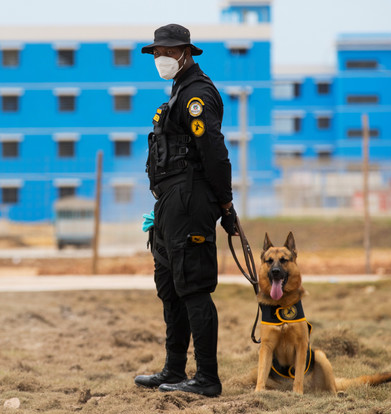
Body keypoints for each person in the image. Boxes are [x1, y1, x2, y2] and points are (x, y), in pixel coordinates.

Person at [135, 23, 238, 398]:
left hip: (191, 199)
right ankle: (174, 370)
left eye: (167, 51)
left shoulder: (198, 94)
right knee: (170, 285)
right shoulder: (179, 92)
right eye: (157, 53)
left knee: (193, 285)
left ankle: (207, 378)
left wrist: (224, 203)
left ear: (186, 52)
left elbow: (213, 151)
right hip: (170, 202)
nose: (161, 58)